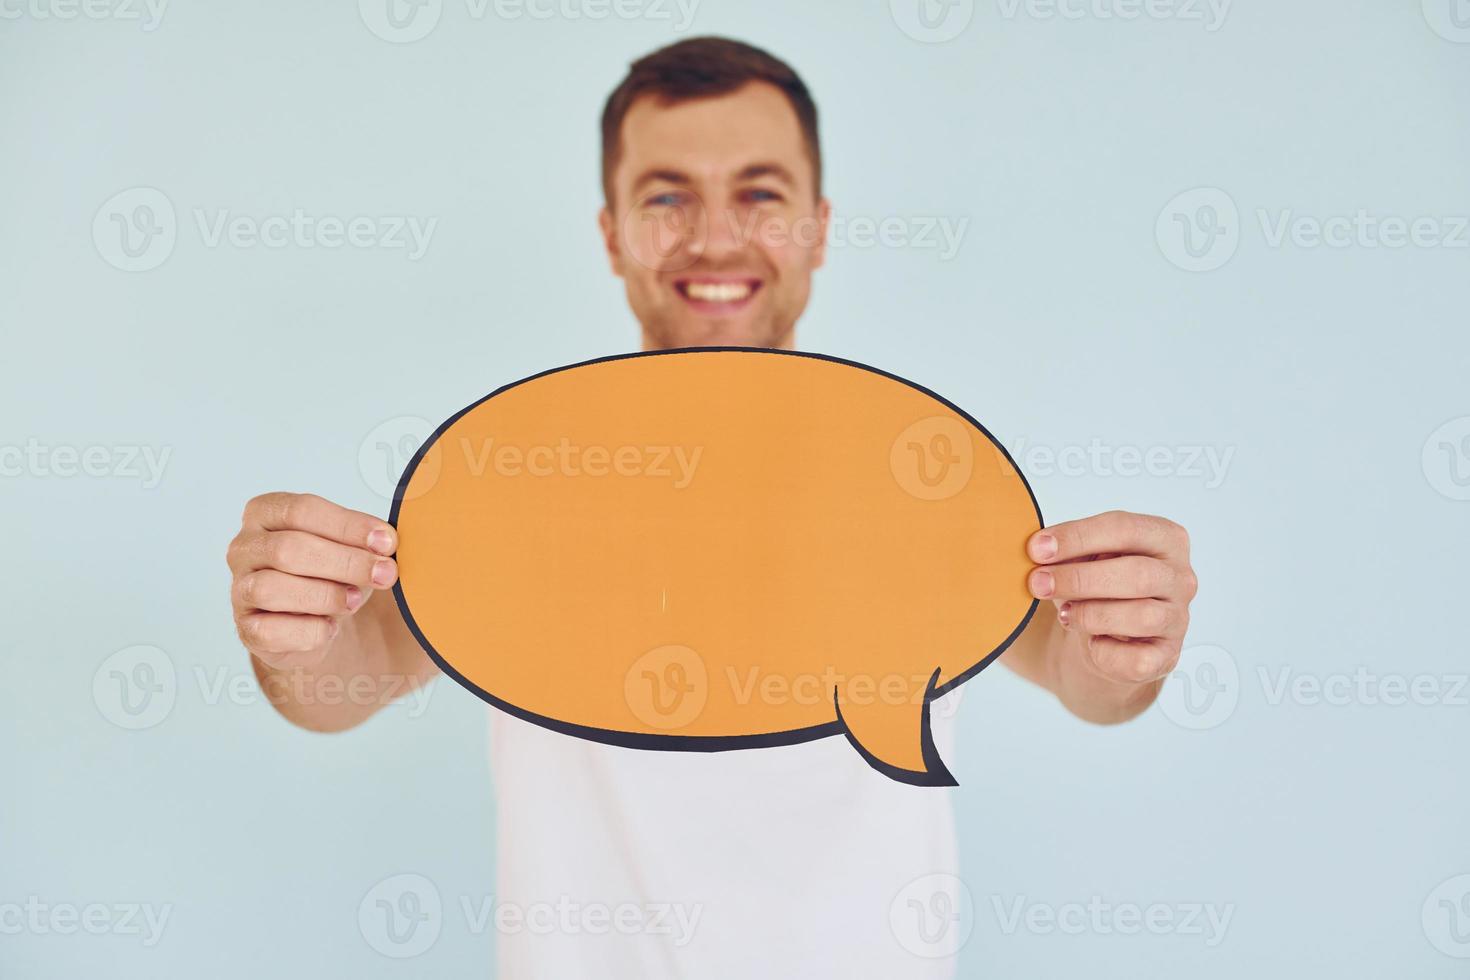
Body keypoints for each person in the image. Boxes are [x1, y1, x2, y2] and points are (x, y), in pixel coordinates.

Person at [224, 36, 1198, 977]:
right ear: (610, 232)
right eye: (667, 197)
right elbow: (347, 679)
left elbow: (1080, 677)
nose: (717, 236)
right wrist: (292, 634)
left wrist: (1124, 644)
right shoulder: (513, 477)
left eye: (760, 194)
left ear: (817, 225)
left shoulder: (923, 478)